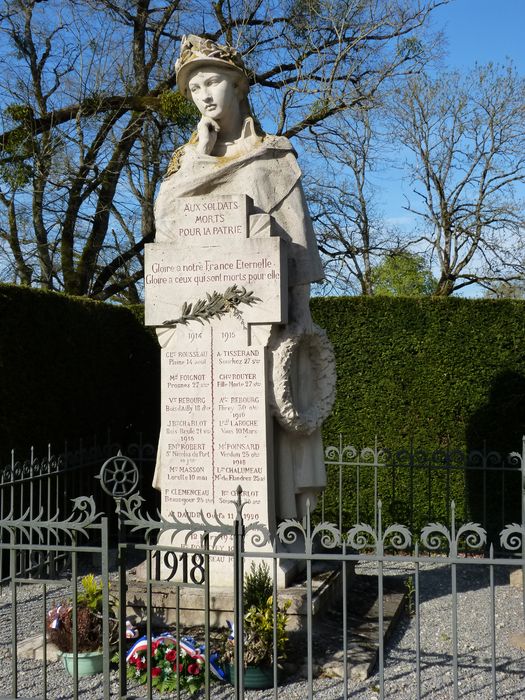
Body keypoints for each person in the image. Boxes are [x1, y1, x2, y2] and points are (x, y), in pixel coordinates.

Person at [154, 35, 335, 519]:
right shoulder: (183, 163)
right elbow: (166, 226)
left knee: (267, 439)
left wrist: (300, 320)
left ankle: (271, 540)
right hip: (194, 332)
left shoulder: (273, 156)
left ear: (238, 84)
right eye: (194, 88)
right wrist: (200, 160)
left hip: (265, 330)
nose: (205, 95)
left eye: (212, 81)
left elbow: (298, 249)